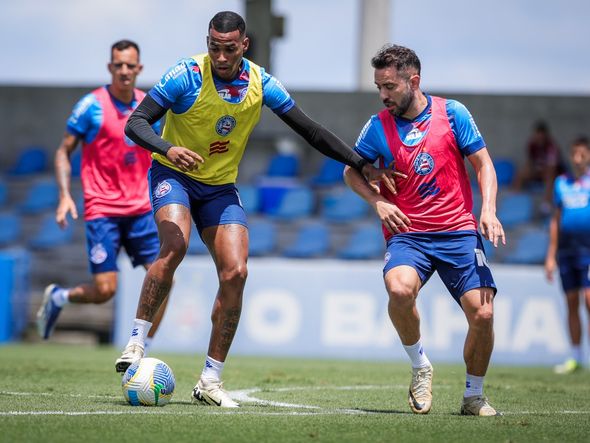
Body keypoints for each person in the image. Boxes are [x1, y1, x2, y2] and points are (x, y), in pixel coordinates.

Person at [114, 11, 398, 408]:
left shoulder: (261, 84)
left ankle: (210, 380)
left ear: (244, 45)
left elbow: (310, 130)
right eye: (214, 47)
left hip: (219, 189)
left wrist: (360, 162)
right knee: (174, 246)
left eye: (229, 48)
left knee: (237, 272)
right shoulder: (187, 75)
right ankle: (136, 342)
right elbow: (136, 123)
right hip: (173, 175)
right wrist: (168, 148)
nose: (221, 56)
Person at [343, 44, 506, 416]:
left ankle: (473, 395)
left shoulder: (453, 113)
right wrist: (378, 201)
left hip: (458, 231)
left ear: (413, 81)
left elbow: (484, 164)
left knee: (483, 315)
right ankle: (420, 367)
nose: (383, 95)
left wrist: (489, 209)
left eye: (389, 87)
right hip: (408, 234)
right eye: (378, 87)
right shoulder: (377, 126)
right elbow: (351, 170)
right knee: (399, 289)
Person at [36, 40, 168, 346]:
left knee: (165, 279)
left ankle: (139, 352)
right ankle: (59, 296)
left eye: (130, 65)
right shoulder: (90, 106)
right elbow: (62, 152)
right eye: (118, 64)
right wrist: (65, 195)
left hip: (141, 210)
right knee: (105, 290)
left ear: (139, 69)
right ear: (110, 67)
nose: (124, 71)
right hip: (103, 210)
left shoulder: (150, 106)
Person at [544, 136, 590, 374]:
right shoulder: (562, 183)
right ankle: (575, 357)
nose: (577, 158)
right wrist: (551, 256)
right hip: (566, 252)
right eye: (574, 153)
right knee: (571, 303)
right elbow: (556, 220)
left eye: (582, 153)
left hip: (588, 252)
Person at [515, 120, 564, 213]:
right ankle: (515, 200)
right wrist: (530, 170)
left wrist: (540, 170)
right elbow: (530, 162)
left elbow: (552, 167)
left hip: (552, 174)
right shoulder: (532, 145)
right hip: (538, 171)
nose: (539, 140)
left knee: (549, 175)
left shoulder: (552, 146)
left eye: (541, 137)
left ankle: (546, 204)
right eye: (537, 136)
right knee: (521, 173)